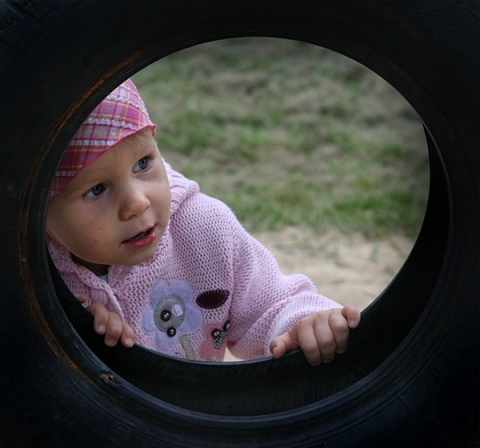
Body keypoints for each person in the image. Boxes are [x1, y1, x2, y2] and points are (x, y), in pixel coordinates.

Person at [47, 79, 360, 365]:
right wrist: (59, 330)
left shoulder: (203, 229)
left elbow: (271, 304)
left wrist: (305, 323)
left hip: (196, 420)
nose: (137, 203)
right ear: (38, 208)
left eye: (142, 163)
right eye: (96, 190)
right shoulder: (27, 269)